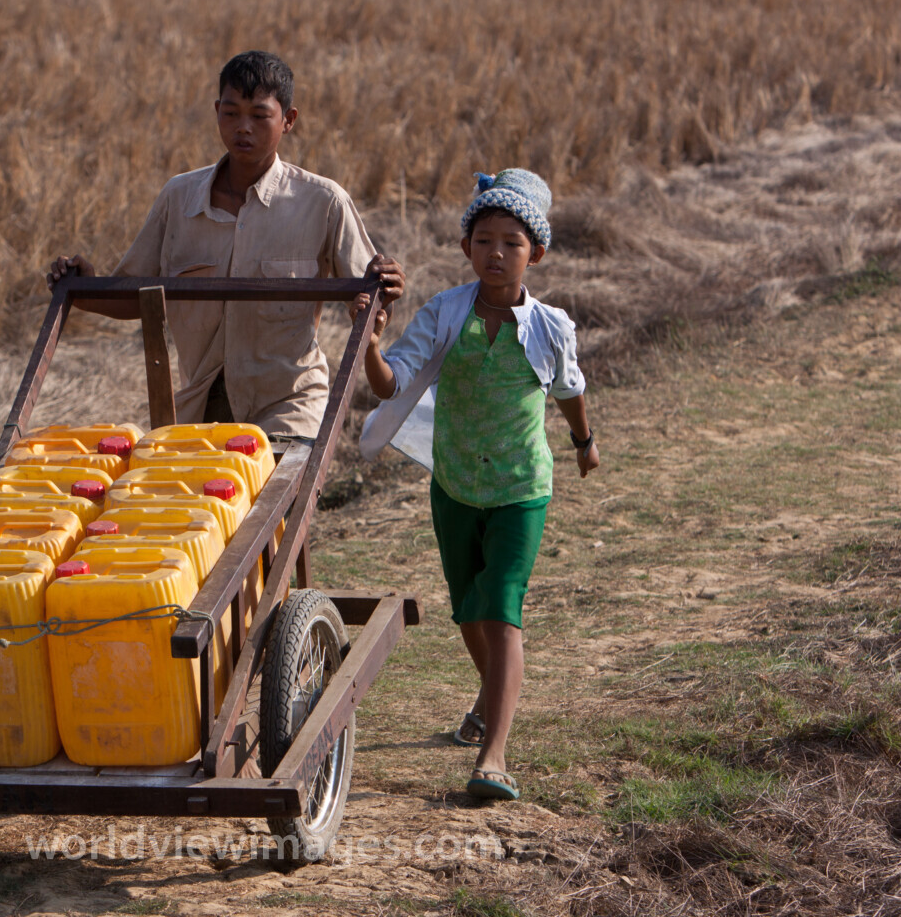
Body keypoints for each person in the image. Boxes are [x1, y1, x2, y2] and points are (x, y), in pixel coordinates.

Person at [351, 169, 599, 800]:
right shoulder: (444, 313)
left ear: (535, 254)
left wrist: (582, 443)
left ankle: (494, 756)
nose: (496, 253)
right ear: (466, 249)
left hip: (521, 488)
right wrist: (372, 345)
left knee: (503, 609)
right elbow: (391, 384)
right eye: (483, 239)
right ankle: (493, 699)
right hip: (456, 485)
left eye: (511, 242)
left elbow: (570, 391)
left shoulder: (550, 327)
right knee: (467, 609)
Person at [46, 50, 404, 440]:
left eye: (259, 115)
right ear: (216, 111)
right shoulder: (179, 199)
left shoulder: (323, 202)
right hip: (199, 408)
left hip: (287, 405)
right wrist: (84, 287)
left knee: (265, 494)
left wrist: (384, 287)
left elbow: (370, 295)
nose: (243, 128)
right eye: (231, 113)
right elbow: (135, 294)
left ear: (289, 120)